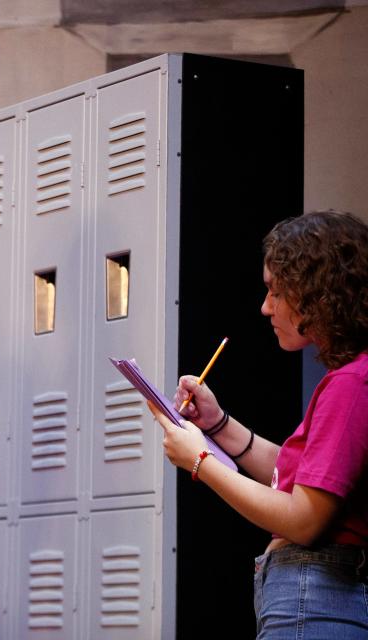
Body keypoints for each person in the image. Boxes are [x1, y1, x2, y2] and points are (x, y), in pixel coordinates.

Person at [152, 210, 368, 637]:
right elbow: (291, 475)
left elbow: (305, 519)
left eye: (275, 291)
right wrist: (217, 425)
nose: (265, 306)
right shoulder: (349, 379)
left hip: (316, 599)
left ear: (316, 292)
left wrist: (199, 460)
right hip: (310, 596)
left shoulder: (352, 384)